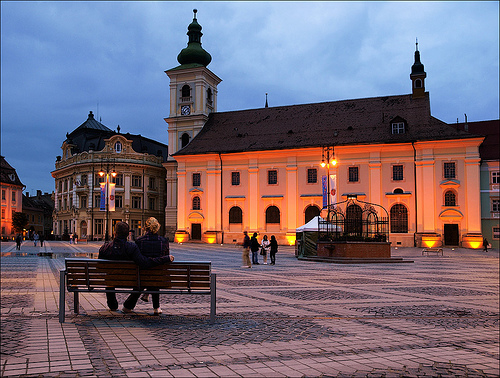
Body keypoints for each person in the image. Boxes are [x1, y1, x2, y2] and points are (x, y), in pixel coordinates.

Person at [98, 221, 172, 312]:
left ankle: (112, 304)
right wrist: (165, 258)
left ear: (114, 233)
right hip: (130, 280)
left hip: (111, 280)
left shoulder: (104, 248)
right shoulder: (131, 247)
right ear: (128, 234)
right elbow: (144, 263)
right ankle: (152, 306)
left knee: (109, 279)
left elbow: (99, 267)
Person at [130, 217, 174, 315]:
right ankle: (156, 307)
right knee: (155, 273)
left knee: (148, 273)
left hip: (141, 275)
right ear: (157, 228)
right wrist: (166, 258)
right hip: (158, 276)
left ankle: (129, 305)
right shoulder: (164, 241)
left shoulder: (139, 241)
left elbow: (139, 259)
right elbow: (164, 260)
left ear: (145, 228)